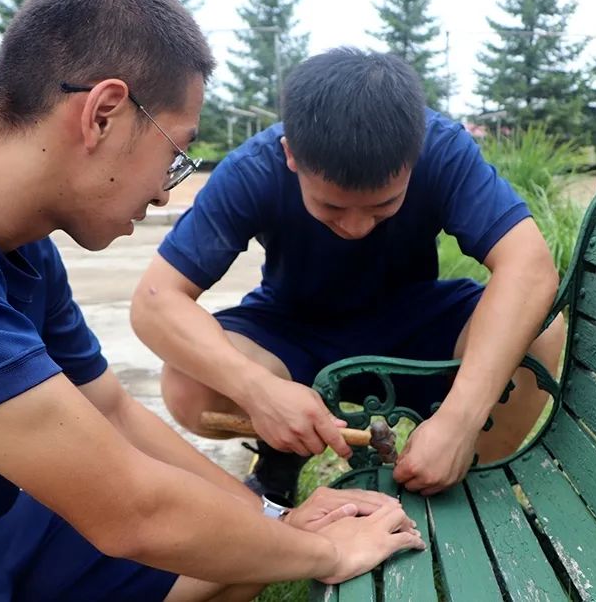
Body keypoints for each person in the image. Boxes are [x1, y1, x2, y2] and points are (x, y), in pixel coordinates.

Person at [0, 0, 423, 602]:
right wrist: (323, 551)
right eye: (174, 154)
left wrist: (271, 520)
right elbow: (130, 510)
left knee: (238, 553)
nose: (163, 190)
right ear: (103, 114)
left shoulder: (21, 247)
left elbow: (112, 411)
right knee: (215, 546)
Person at [131, 48, 566, 504]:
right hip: (293, 328)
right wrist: (257, 390)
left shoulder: (442, 148)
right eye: (331, 206)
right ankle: (281, 457)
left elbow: (530, 269)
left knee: (540, 333)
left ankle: (468, 477)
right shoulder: (253, 169)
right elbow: (156, 301)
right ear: (291, 156)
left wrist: (461, 419)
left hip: (416, 321)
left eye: (383, 206)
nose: (356, 227)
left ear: (414, 158)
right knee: (189, 385)